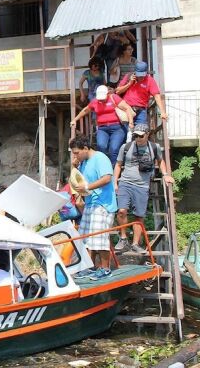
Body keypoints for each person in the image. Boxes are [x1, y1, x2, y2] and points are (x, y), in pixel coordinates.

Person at [114, 123, 175, 254]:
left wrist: (165, 175)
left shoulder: (154, 147)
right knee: (121, 211)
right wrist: (115, 183)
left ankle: (135, 243)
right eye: (135, 136)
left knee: (139, 216)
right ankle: (123, 238)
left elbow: (161, 161)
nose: (138, 138)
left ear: (147, 135)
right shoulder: (126, 147)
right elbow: (118, 165)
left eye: (141, 136)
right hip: (125, 182)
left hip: (142, 186)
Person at [69, 134, 118, 280]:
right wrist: (74, 166)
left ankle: (105, 268)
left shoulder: (100, 158)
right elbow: (77, 179)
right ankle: (89, 267)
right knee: (85, 237)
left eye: (77, 153)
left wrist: (87, 186)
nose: (76, 156)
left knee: (99, 238)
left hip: (103, 204)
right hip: (90, 203)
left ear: (85, 148)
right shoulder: (83, 163)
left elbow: (107, 178)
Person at [70, 85, 134, 166]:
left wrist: (131, 123)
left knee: (114, 148)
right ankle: (103, 165)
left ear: (107, 94)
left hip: (117, 127)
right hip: (102, 128)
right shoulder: (95, 101)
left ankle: (113, 168)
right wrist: (75, 119)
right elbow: (86, 110)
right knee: (101, 146)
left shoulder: (114, 97)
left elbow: (127, 108)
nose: (102, 100)